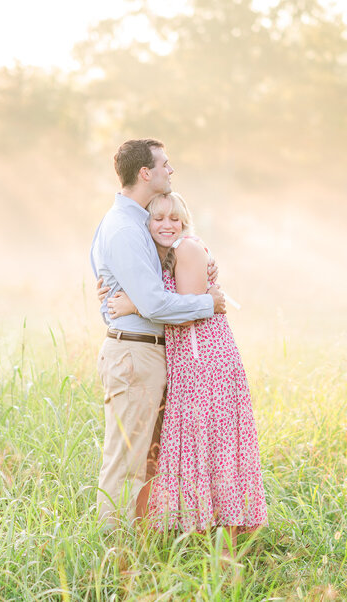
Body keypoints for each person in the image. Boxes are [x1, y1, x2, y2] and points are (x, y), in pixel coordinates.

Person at [105, 192, 268, 547]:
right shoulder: (161, 256)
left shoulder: (187, 248)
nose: (167, 225)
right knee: (196, 443)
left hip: (204, 361)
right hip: (188, 362)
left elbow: (191, 307)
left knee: (211, 441)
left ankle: (224, 537)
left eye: (174, 218)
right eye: (158, 218)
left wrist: (134, 303)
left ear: (184, 221)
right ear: (145, 223)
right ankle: (194, 528)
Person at [90, 139, 226, 527]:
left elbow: (115, 281)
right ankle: (114, 551)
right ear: (145, 173)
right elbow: (152, 303)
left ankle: (141, 542)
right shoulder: (124, 228)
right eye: (166, 165)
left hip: (150, 352)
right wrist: (208, 302)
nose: (171, 171)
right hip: (135, 354)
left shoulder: (136, 222)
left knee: (147, 460)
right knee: (126, 461)